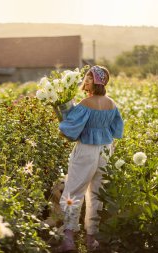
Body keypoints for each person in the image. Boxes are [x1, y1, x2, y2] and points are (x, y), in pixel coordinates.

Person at [56, 65, 124, 252]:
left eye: (90, 77)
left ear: (97, 82)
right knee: (97, 194)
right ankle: (91, 239)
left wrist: (62, 117)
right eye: (86, 76)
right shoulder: (111, 103)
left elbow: (69, 131)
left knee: (74, 191)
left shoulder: (85, 104)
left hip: (86, 149)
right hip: (105, 150)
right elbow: (116, 130)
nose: (86, 80)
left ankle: (68, 237)